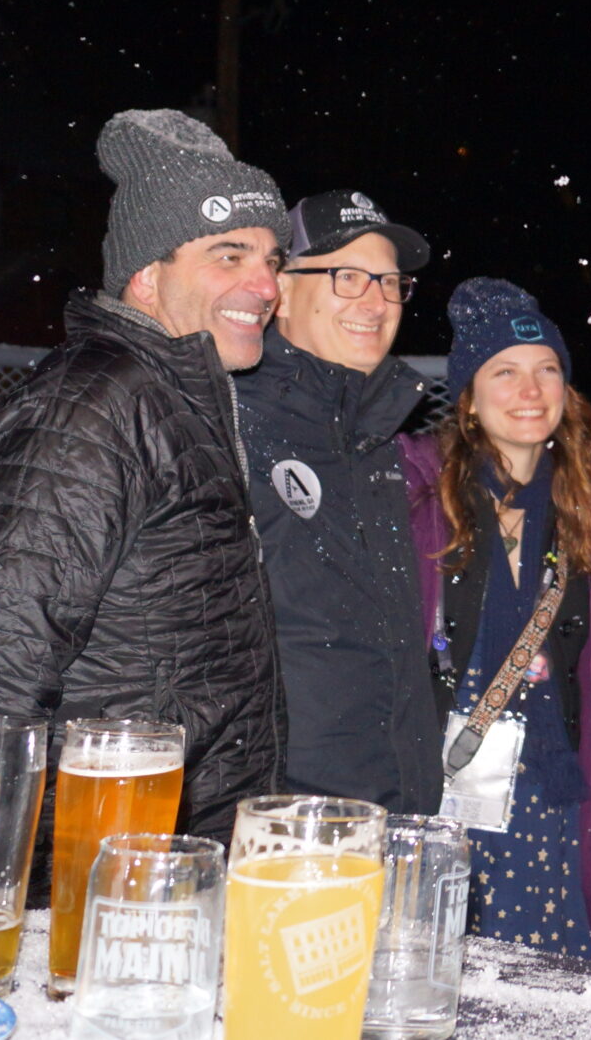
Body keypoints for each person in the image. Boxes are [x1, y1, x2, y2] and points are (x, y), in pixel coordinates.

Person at [0, 109, 292, 837]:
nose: (266, 284)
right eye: (230, 255)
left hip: (182, 839)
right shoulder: (92, 406)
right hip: (111, 852)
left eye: (272, 259)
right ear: (146, 277)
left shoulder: (182, 395)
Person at [399, 278, 591, 963]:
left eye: (547, 370)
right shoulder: (417, 494)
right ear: (469, 399)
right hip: (442, 785)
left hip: (553, 792)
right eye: (504, 371)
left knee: (546, 981)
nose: (530, 389)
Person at [234, 189, 438, 811]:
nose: (375, 302)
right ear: (282, 288)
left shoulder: (378, 436)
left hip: (395, 806)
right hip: (286, 818)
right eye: (346, 276)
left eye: (390, 282)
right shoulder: (231, 425)